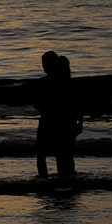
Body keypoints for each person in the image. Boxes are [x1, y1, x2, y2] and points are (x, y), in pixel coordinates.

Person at [33, 50, 82, 179]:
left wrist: (79, 123)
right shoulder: (65, 82)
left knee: (55, 155)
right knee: (61, 155)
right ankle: (63, 181)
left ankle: (48, 180)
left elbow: (76, 103)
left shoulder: (49, 83)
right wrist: (79, 123)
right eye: (43, 64)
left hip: (56, 122)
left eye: (45, 64)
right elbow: (78, 104)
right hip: (61, 122)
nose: (43, 67)